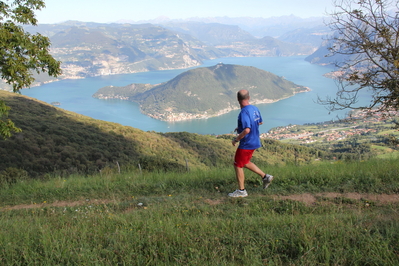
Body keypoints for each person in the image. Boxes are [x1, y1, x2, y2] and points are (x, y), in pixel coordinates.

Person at [228, 89, 274, 198]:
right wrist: (240, 127)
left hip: (246, 143)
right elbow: (260, 122)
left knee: (237, 164)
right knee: (245, 162)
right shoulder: (254, 108)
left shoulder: (244, 112)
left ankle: (241, 191)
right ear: (249, 97)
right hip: (255, 141)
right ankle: (265, 177)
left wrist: (236, 139)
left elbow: (247, 130)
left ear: (238, 99)